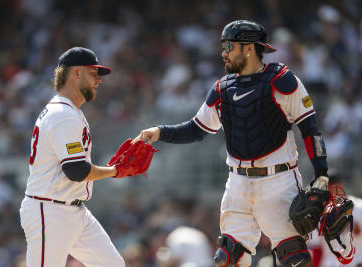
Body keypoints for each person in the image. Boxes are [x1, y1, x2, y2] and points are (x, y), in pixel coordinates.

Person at [136, 20, 330, 267]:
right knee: (227, 259)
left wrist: (322, 175)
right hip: (237, 183)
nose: (223, 53)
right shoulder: (222, 88)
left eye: (228, 46)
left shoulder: (281, 79)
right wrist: (160, 131)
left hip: (278, 181)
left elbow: (310, 128)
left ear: (248, 48)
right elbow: (196, 129)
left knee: (294, 259)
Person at [19, 47, 125, 267]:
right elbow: (77, 171)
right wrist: (116, 170)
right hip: (49, 210)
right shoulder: (64, 115)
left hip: (73, 210)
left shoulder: (68, 111)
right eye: (93, 73)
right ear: (76, 73)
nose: (98, 80)